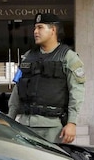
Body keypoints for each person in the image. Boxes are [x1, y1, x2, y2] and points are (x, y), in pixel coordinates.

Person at [8, 12, 85, 144]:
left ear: (53, 30)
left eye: (40, 27)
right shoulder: (28, 57)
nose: (35, 32)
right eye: (35, 28)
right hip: (25, 126)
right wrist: (9, 118)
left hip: (52, 128)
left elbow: (76, 92)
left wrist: (72, 123)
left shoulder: (68, 57)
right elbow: (17, 89)